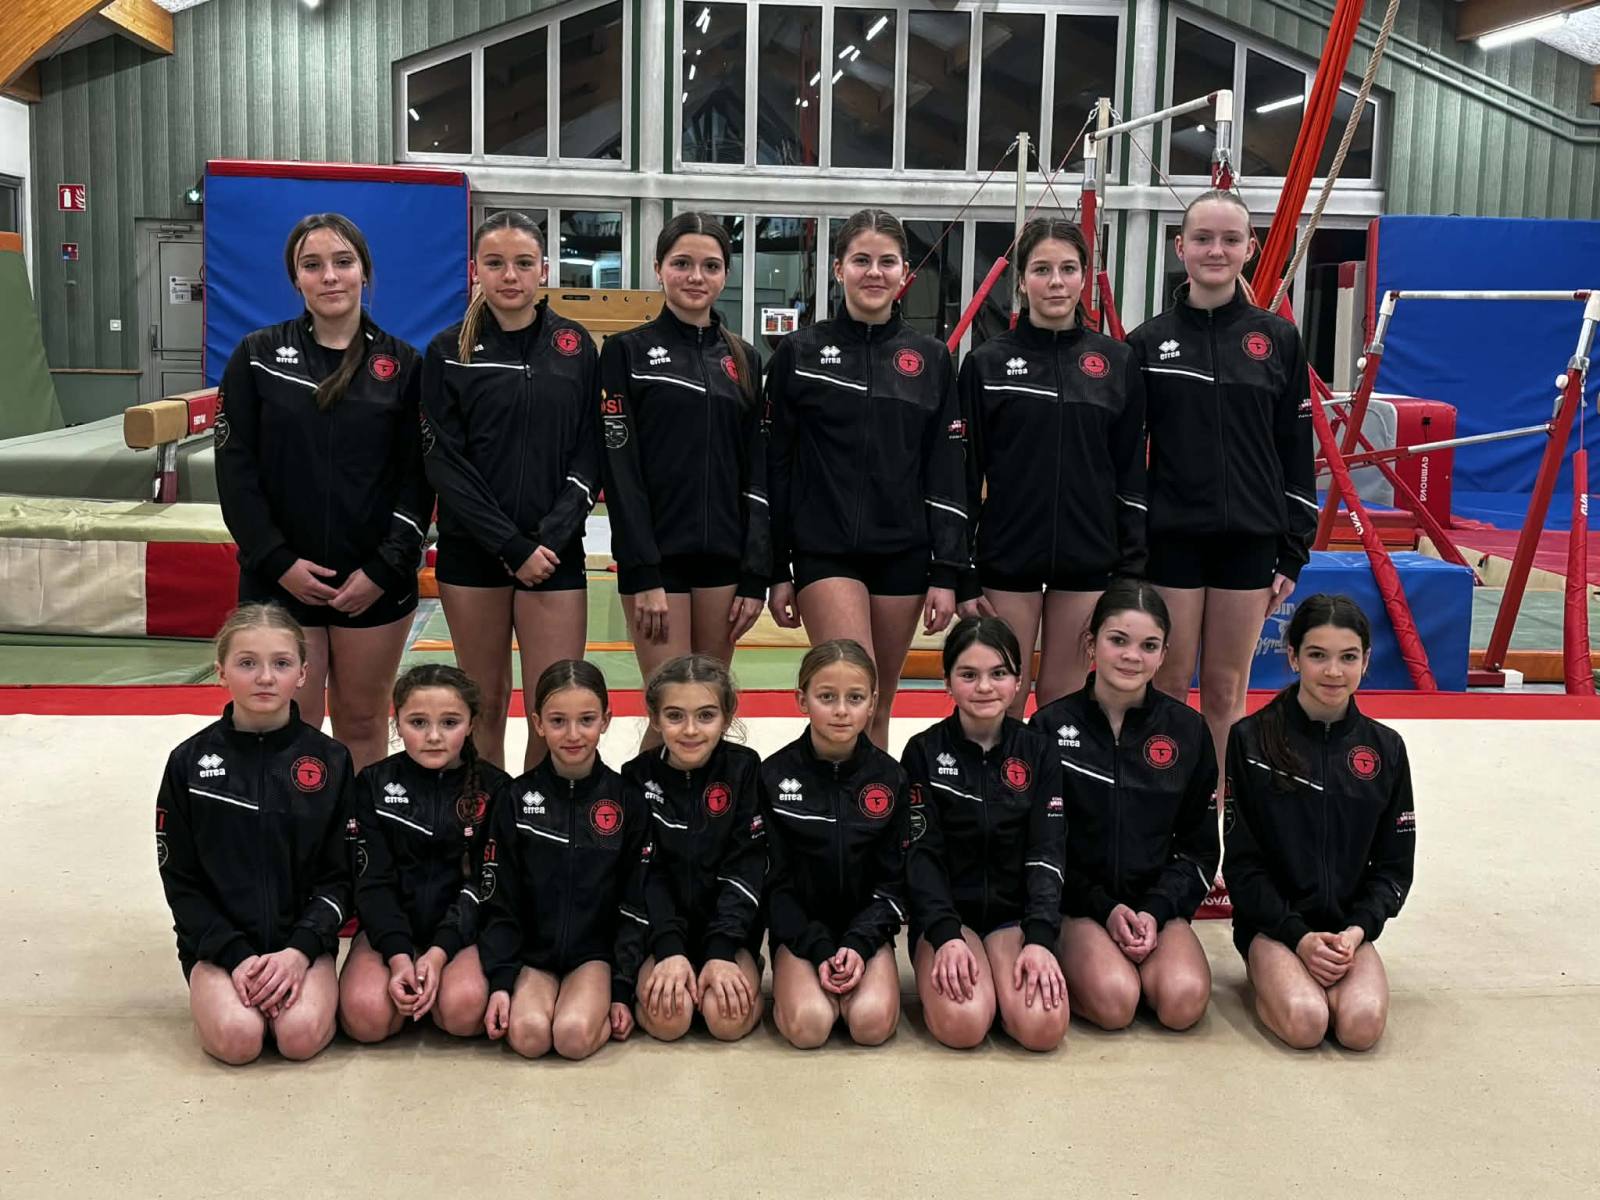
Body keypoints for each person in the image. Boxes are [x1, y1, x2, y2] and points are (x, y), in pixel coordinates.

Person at [214, 213, 431, 769]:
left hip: (374, 581)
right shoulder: (257, 356)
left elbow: (418, 479)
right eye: (313, 265)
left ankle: (359, 823)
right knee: (289, 721)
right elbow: (235, 472)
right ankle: (291, 825)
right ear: (296, 279)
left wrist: (383, 569)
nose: (329, 276)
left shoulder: (404, 365)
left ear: (365, 272)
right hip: (280, 579)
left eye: (342, 262)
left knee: (362, 720)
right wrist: (278, 561)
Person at [1126, 189, 1315, 769]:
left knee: (1227, 688)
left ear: (1249, 249)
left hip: (1250, 540)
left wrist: (1293, 550)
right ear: (1180, 247)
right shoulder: (1147, 343)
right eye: (1203, 239)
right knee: (1167, 682)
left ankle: (1219, 807)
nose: (1216, 250)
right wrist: (1131, 546)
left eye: (1230, 239)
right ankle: (1164, 801)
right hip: (1174, 538)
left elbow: (1295, 449)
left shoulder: (1277, 340)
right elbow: (1127, 457)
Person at [765, 207, 968, 747]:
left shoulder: (930, 359)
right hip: (825, 549)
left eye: (887, 261)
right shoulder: (799, 354)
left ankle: (875, 800)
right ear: (838, 269)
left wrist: (947, 570)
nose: (874, 272)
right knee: (848, 693)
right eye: (861, 260)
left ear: (906, 273)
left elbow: (946, 468)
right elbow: (776, 465)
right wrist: (775, 567)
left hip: (903, 551)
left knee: (878, 703)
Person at [421, 211, 601, 771]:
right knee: (485, 705)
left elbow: (591, 450)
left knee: (555, 707)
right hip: (474, 551)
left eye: (523, 263)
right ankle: (485, 817)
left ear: (543, 270)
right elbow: (444, 462)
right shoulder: (447, 350)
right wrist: (509, 544)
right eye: (495, 263)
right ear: (475, 269)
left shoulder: (574, 346)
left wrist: (551, 536)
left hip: (554, 553)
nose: (510, 275)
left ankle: (540, 815)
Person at [957, 217, 1146, 711]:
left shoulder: (1116, 362)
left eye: (1068, 269)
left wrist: (1131, 564)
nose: (1056, 282)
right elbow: (965, 474)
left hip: (1089, 554)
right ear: (1021, 280)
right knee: (1005, 694)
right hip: (1008, 553)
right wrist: (961, 567)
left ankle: (1055, 769)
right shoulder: (986, 364)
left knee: (1065, 698)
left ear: (1085, 276)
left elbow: (1130, 470)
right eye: (1042, 269)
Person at [154, 603, 353, 1064]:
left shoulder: (331, 761)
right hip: (219, 946)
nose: (265, 677)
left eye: (281, 663)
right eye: (247, 663)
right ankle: (222, 993)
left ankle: (303, 984)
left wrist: (300, 951)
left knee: (299, 1037)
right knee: (238, 1039)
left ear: (303, 673)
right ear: (221, 671)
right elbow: (180, 880)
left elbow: (343, 876)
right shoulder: (188, 763)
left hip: (302, 942)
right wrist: (234, 954)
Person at [600, 214, 769, 737]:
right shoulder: (626, 352)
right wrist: (642, 571)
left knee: (708, 711)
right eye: (682, 263)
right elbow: (620, 469)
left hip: (724, 561)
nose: (696, 277)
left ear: (725, 275)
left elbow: (757, 471)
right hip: (658, 563)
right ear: (658, 268)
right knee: (671, 713)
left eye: (710, 266)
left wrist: (755, 574)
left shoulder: (744, 359)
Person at [1225, 593, 1415, 1052]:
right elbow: (1242, 867)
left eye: (1348, 657)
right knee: (1306, 1023)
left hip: (1348, 930)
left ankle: (1323, 971)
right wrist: (1298, 937)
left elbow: (1394, 869)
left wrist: (1356, 932)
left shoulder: (1385, 749)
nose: (1333, 671)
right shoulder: (1251, 740)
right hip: (1275, 927)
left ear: (1366, 661)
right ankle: (1272, 976)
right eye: (1317, 656)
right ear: (1293, 657)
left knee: (1361, 1028)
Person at [1030, 579, 1217, 1031]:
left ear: (1164, 654)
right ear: (1091, 643)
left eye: (1148, 645)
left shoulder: (1188, 731)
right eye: (1118, 640)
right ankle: (1096, 963)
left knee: (1183, 1003)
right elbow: (1037, 844)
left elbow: (1199, 850)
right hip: (1080, 904)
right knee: (1115, 1003)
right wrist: (1103, 908)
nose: (1132, 656)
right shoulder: (1049, 727)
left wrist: (1156, 909)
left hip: (1153, 905)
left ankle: (1142, 962)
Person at [902, 617, 1068, 1051]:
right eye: (968, 675)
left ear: (1018, 681)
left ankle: (1003, 994)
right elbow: (921, 855)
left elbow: (1047, 851)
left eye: (998, 673)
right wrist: (945, 935)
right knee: (963, 1025)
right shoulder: (923, 751)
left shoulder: (1039, 750)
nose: (984, 687)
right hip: (949, 918)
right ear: (947, 682)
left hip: (1013, 918)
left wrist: (1039, 938)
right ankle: (983, 991)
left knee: (1043, 1028)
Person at [477, 660, 649, 1059]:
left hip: (593, 955)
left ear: (606, 720)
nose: (573, 735)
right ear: (537, 723)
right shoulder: (515, 799)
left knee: (571, 1037)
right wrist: (502, 980)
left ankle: (588, 1006)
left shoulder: (627, 800)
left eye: (586, 720)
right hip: (533, 955)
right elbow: (499, 896)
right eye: (558, 721)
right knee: (529, 1037)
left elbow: (635, 899)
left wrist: (621, 989)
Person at [337, 665, 510, 1043]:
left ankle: (438, 984)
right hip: (390, 926)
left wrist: (439, 952)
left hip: (460, 931)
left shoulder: (496, 789)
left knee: (463, 1011)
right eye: (418, 722)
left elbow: (484, 885)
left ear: (471, 723)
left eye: (449, 723)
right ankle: (408, 978)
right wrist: (398, 955)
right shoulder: (373, 784)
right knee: (366, 1019)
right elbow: (371, 881)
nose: (433, 736)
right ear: (396, 722)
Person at [760, 639, 911, 1048]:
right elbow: (774, 883)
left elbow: (895, 881)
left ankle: (863, 970)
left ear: (873, 702)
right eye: (827, 697)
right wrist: (817, 946)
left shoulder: (892, 778)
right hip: (801, 931)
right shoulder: (772, 776)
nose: (841, 710)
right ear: (802, 700)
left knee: (870, 1024)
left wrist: (860, 943)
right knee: (809, 1026)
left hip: (866, 929)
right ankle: (782, 976)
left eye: (855, 698)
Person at [625, 654, 766, 1042]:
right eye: (675, 716)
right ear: (655, 718)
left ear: (727, 716)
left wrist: (723, 949)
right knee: (670, 1022)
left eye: (706, 716)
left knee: (725, 1021)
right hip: (661, 934)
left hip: (729, 934)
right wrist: (668, 948)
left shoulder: (744, 769)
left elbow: (747, 864)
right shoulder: (636, 777)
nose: (690, 730)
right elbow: (646, 874)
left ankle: (748, 969)